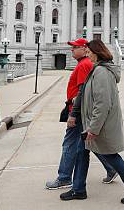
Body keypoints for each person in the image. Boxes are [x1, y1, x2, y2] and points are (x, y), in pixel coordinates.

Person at [60, 39, 124, 204]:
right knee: (81, 152)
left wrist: (93, 128)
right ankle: (78, 189)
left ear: (96, 52)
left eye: (89, 52)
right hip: (91, 122)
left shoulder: (102, 72)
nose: (87, 55)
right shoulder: (96, 69)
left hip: (100, 125)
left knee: (111, 156)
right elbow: (85, 94)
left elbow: (102, 103)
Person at [45, 38, 116, 190]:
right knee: (87, 143)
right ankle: (111, 168)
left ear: (85, 49)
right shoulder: (83, 64)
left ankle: (64, 177)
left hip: (77, 113)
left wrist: (73, 113)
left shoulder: (84, 65)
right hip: (78, 111)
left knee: (69, 144)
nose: (72, 50)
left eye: (75, 47)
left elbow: (83, 93)